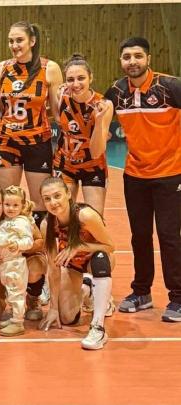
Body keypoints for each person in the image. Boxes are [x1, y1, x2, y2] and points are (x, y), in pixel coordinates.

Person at [104, 37, 181, 322]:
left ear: (148, 58)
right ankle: (141, 292)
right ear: (121, 61)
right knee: (139, 236)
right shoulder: (116, 92)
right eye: (127, 57)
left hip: (171, 173)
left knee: (169, 236)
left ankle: (178, 297)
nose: (132, 61)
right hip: (135, 174)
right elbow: (98, 118)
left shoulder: (170, 87)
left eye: (138, 56)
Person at [0, 21, 63, 227]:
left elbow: (57, 112)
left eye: (19, 40)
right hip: (6, 141)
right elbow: (1, 107)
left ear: (32, 41)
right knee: (6, 201)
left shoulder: (49, 68)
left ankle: (39, 245)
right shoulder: (2, 68)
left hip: (37, 142)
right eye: (11, 41)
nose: (14, 45)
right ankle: (7, 244)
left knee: (40, 203)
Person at [39, 177, 115, 350]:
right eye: (47, 199)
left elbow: (110, 246)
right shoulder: (46, 224)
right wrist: (53, 308)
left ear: (68, 194)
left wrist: (79, 246)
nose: (53, 202)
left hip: (95, 258)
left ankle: (98, 327)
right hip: (72, 264)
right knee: (67, 318)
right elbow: (53, 267)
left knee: (101, 258)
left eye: (57, 195)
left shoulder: (85, 215)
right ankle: (88, 290)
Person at [0, 179, 47, 324]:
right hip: (4, 262)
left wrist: (19, 247)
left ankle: (33, 296)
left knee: (34, 269)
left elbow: (40, 243)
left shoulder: (18, 215)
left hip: (28, 258)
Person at [53, 53, 113, 215]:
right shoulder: (61, 95)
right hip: (65, 164)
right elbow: (59, 119)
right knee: (62, 217)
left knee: (94, 219)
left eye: (81, 78)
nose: (76, 84)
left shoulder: (104, 105)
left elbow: (96, 152)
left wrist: (98, 122)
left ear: (90, 78)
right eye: (70, 79)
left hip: (93, 166)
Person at [0, 186, 34, 336]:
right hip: (4, 263)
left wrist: (18, 244)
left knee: (16, 292)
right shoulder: (3, 221)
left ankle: (18, 322)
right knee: (9, 291)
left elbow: (29, 241)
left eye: (15, 205)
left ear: (22, 206)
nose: (11, 208)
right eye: (7, 204)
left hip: (15, 262)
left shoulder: (22, 221)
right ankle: (14, 316)